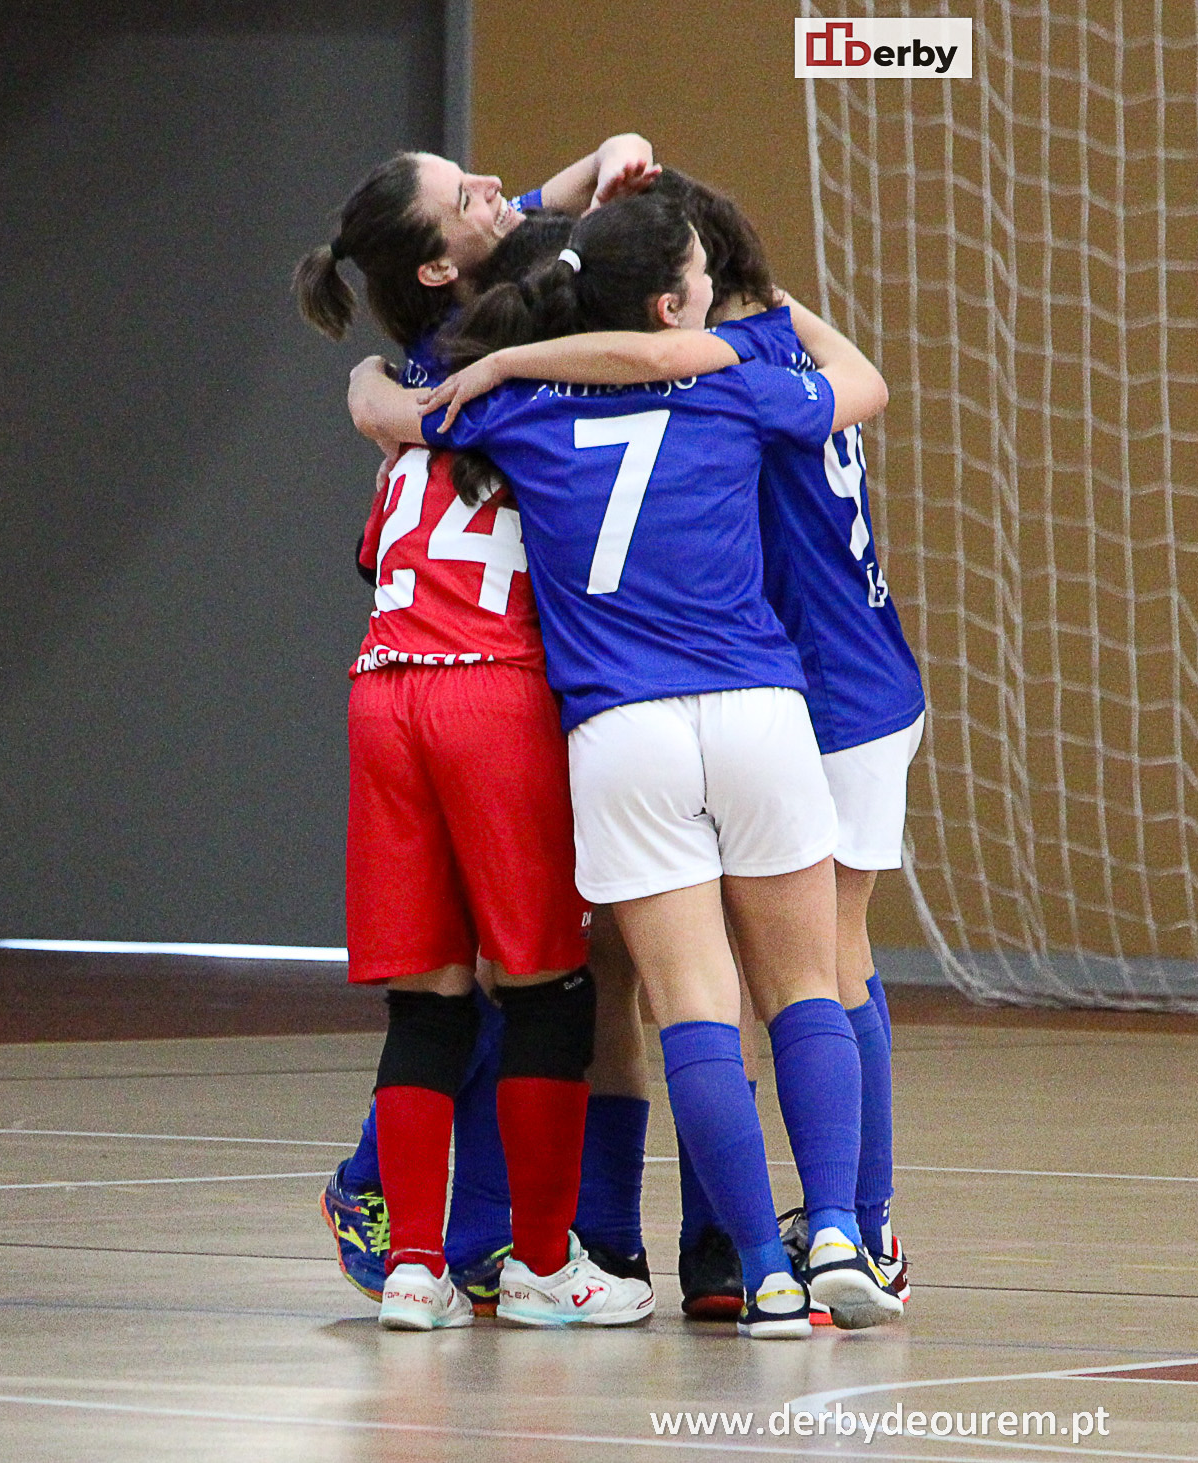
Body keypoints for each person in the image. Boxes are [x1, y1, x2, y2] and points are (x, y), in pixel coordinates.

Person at [349, 192, 898, 1338]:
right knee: (795, 989)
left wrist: (497, 371)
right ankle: (839, 1226)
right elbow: (860, 384)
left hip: (618, 730)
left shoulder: (518, 410)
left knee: (686, 1005)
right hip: (756, 708)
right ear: (672, 305)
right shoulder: (736, 382)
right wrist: (767, 315)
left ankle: (762, 1270)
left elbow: (384, 408)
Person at [298, 156, 662, 1332]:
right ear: (445, 264)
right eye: (468, 194)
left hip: (380, 685)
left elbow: (382, 380)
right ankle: (545, 1261)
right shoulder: (538, 378)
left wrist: (370, 383)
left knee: (429, 996)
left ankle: (414, 1263)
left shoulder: (416, 375)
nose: (500, 188)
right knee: (550, 984)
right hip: (487, 691)